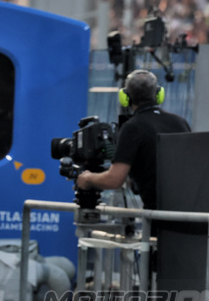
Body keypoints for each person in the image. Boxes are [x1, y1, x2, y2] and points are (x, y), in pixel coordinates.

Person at [75, 69, 189, 208]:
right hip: (188, 211)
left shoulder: (133, 127)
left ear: (125, 97)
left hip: (159, 217)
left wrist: (88, 178)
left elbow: (114, 180)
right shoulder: (180, 122)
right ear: (159, 94)